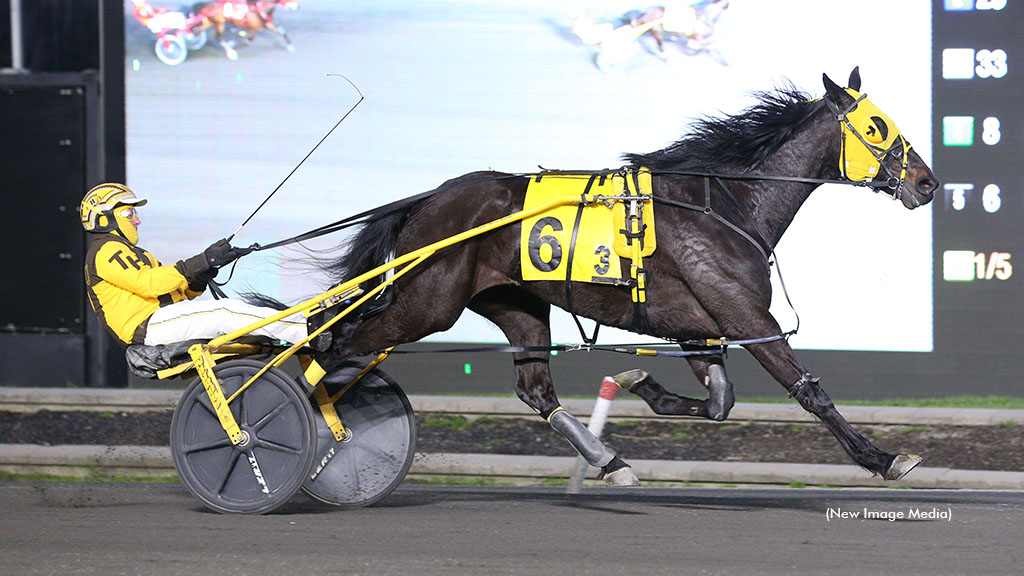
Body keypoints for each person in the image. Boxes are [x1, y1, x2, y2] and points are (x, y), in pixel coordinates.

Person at [80, 182, 326, 353]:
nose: (137, 219)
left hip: (158, 322)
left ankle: (303, 325)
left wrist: (199, 276)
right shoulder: (106, 250)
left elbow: (173, 293)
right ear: (104, 218)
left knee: (232, 313)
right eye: (129, 213)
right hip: (148, 327)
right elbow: (148, 283)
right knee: (225, 313)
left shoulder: (133, 253)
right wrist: (203, 260)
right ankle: (310, 331)